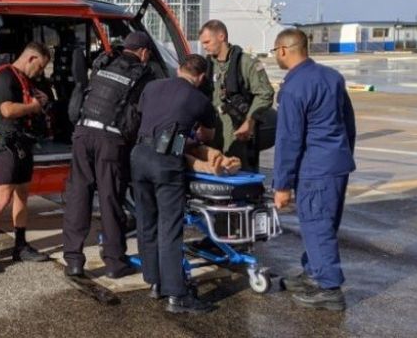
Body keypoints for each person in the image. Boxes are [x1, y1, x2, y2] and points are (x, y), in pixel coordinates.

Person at [131, 54, 228, 314]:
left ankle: (155, 283)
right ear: (201, 77)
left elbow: (144, 114)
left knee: (146, 222)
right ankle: (178, 295)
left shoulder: (152, 86)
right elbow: (207, 135)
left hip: (139, 155)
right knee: (169, 227)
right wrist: (192, 134)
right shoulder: (200, 99)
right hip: (166, 163)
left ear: (179, 69)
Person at [271, 28, 356, 311]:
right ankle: (314, 272)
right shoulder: (332, 77)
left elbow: (288, 140)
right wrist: (341, 156)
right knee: (325, 223)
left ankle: (330, 288)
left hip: (315, 168)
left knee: (316, 225)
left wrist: (281, 185)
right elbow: (349, 124)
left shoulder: (294, 88)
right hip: (336, 165)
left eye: (275, 52)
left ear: (283, 50)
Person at [62, 31, 158, 279]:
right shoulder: (143, 75)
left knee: (78, 197)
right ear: (144, 52)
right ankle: (114, 263)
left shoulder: (103, 62)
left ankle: (73, 260)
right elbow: (142, 112)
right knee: (110, 199)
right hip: (110, 140)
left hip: (83, 133)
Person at [0, 42, 53, 274]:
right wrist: (34, 107)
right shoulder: (4, 78)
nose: (40, 72)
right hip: (6, 143)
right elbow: (7, 110)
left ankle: (20, 245)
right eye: (40, 67)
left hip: (23, 142)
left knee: (22, 195)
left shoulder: (25, 80)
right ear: (31, 58)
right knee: (2, 198)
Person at [198, 20, 275, 171]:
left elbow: (265, 93)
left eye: (207, 42)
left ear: (221, 36)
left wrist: (250, 121)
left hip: (238, 131)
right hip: (213, 131)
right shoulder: (207, 66)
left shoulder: (246, 63)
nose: (204, 47)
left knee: (240, 172)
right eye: (203, 43)